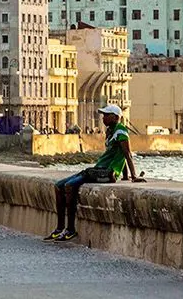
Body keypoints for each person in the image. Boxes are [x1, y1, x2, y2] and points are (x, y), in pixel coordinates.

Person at [48, 104, 143, 242]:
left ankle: (70, 229)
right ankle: (59, 228)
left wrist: (133, 176)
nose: (103, 118)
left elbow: (126, 153)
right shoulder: (111, 131)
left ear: (116, 117)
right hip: (99, 169)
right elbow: (118, 155)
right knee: (58, 186)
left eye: (106, 115)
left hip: (107, 173)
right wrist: (125, 175)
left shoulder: (121, 131)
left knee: (69, 186)